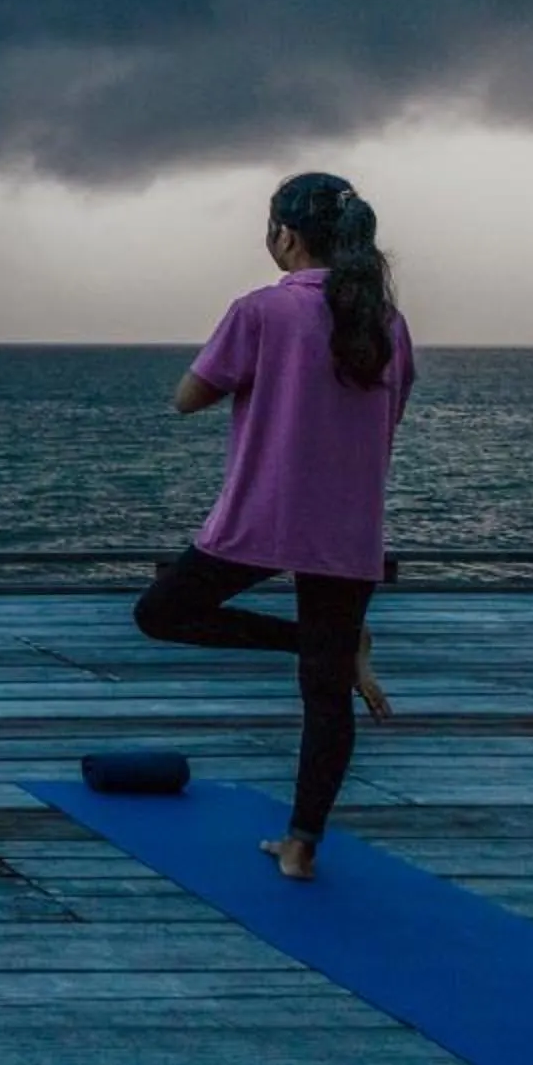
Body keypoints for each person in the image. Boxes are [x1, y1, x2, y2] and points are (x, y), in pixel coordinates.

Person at [136, 171, 414, 882]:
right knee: (325, 693)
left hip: (262, 519)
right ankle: (300, 846)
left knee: (161, 612)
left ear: (284, 236)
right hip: (347, 531)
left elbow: (186, 399)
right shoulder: (386, 324)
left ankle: (325, 644)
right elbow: (389, 417)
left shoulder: (260, 310)